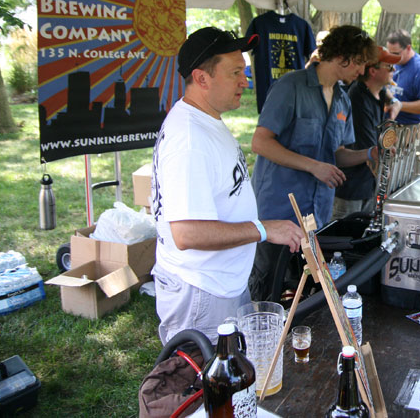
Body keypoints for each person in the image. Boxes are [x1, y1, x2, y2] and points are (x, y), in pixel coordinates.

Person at [150, 27, 303, 345]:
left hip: (221, 283)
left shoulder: (206, 121)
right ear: (202, 78)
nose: (245, 81)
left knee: (233, 382)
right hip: (202, 292)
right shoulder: (189, 140)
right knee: (205, 387)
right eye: (235, 73)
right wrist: (264, 230)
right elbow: (187, 234)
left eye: (244, 72)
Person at [249, 24, 378, 301]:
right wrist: (312, 166)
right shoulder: (291, 86)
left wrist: (369, 154)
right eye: (360, 63)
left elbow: (337, 154)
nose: (362, 71)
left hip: (316, 215)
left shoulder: (343, 100)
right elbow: (260, 142)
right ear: (344, 56)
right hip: (278, 207)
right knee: (268, 284)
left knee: (303, 289)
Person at [332, 47, 402, 220]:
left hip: (365, 185)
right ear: (372, 71)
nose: (393, 71)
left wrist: (394, 103)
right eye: (389, 67)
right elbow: (372, 151)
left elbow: (389, 97)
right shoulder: (358, 98)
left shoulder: (376, 92)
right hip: (351, 187)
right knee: (345, 236)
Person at [385, 29, 420, 126]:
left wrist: (398, 105)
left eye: (396, 53)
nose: (392, 57)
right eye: (389, 52)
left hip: (412, 129)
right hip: (391, 126)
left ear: (408, 48)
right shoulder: (392, 64)